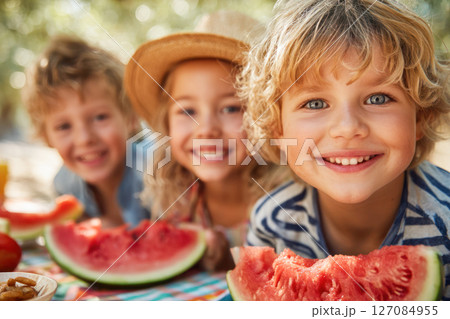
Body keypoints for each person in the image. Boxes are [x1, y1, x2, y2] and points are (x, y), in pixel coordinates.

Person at [239, 0, 450, 299]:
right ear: (279, 129)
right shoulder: (273, 223)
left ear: (420, 117)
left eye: (378, 98)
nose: (348, 128)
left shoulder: (445, 220)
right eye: (315, 103)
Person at [125, 11, 288, 271]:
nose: (207, 130)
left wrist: (228, 256)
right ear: (166, 122)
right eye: (188, 111)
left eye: (231, 108)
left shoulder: (289, 203)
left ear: (267, 116)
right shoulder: (177, 200)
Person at [23, 36, 151, 228]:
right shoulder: (64, 185)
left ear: (131, 118)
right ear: (46, 137)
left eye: (100, 117)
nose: (84, 139)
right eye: (64, 126)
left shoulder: (157, 174)